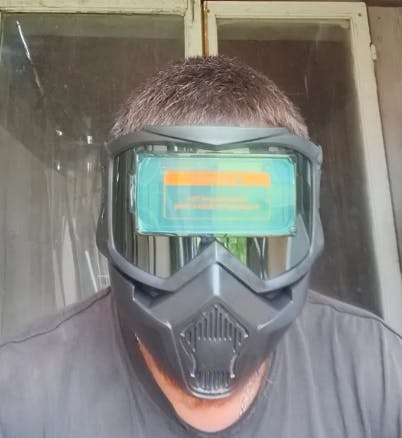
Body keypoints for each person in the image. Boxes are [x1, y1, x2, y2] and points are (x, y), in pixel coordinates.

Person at [0, 56, 401, 437]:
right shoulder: (19, 391)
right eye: (183, 210)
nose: (215, 268)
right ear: (113, 218)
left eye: (244, 209)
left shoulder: (377, 370)